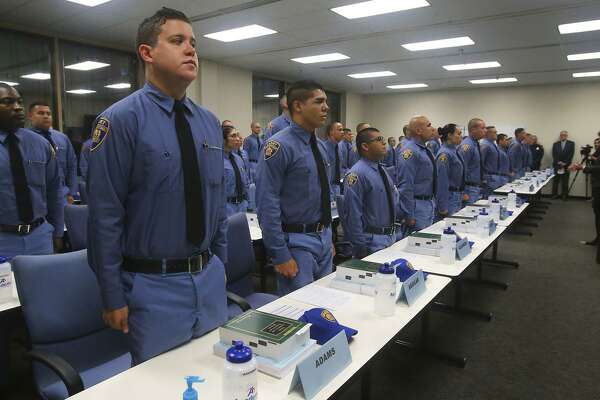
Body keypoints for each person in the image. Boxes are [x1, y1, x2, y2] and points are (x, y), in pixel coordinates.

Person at [87, 8, 228, 365]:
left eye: (193, 43)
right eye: (177, 41)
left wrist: (220, 266)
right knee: (161, 387)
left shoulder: (209, 123)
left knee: (214, 377)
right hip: (153, 287)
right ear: (147, 53)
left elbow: (218, 205)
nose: (191, 50)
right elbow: (105, 217)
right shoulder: (120, 121)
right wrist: (112, 295)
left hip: (208, 278)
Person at [256, 80, 332, 296]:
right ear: (298, 106)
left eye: (326, 101)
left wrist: (328, 237)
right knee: (300, 313)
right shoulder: (279, 146)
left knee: (325, 304)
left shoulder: (320, 146)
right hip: (297, 244)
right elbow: (267, 203)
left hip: (323, 239)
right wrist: (280, 254)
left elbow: (324, 194)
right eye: (319, 101)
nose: (326, 107)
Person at [0, 83, 64, 257]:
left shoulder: (39, 144)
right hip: (3, 241)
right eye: (8, 102)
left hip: (40, 237)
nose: (17, 108)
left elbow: (54, 190)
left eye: (19, 102)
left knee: (46, 284)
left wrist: (57, 231)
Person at [342, 127, 405, 258]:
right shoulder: (357, 174)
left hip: (390, 237)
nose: (384, 143)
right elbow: (353, 215)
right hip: (372, 242)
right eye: (379, 140)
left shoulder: (381, 170)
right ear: (365, 146)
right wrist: (360, 247)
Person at [29, 101, 78, 205]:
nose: (46, 116)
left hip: (62, 195)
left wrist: (72, 193)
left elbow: (72, 166)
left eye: (48, 113)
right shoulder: (25, 139)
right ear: (30, 116)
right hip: (36, 197)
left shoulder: (62, 138)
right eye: (41, 113)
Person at [396, 115, 437, 231]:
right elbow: (405, 185)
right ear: (418, 131)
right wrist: (409, 214)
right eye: (429, 125)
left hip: (428, 202)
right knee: (416, 245)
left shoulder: (424, 149)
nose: (432, 128)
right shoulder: (409, 152)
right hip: (416, 206)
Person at [570, 139, 600, 259]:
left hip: (599, 185)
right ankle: (597, 239)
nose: (597, 144)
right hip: (596, 185)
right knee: (597, 214)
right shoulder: (596, 153)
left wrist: (583, 168)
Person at [436, 124, 467, 217]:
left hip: (457, 195)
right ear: (449, 135)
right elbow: (442, 182)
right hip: (450, 197)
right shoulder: (444, 154)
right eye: (458, 133)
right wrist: (443, 207)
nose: (461, 136)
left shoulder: (454, 151)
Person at [458, 118, 486, 203]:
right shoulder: (467, 146)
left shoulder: (475, 144)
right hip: (468, 188)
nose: (485, 130)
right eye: (482, 128)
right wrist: (463, 192)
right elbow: (461, 170)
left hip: (475, 187)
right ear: (473, 129)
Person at [223, 126, 249, 216]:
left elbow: (246, 181)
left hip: (242, 205)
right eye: (233, 136)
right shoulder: (218, 160)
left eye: (238, 135)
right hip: (227, 206)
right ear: (223, 139)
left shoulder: (238, 159)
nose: (237, 139)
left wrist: (246, 202)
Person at [321, 122, 345, 196]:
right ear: (331, 132)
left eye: (343, 130)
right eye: (340, 130)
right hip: (326, 188)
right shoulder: (323, 148)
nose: (343, 132)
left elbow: (341, 168)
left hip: (337, 186)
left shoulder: (339, 149)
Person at [552, 130, 574, 200]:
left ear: (567, 136)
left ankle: (564, 195)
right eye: (561, 135)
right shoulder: (555, 144)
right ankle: (554, 195)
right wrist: (558, 162)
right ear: (560, 136)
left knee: (565, 181)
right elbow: (554, 154)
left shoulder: (571, 143)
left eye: (564, 135)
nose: (563, 136)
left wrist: (565, 163)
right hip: (557, 165)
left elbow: (571, 154)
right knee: (556, 181)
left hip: (566, 165)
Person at [481, 126, 503, 196]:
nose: (496, 134)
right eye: (495, 132)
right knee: (489, 199)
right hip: (489, 177)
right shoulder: (485, 145)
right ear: (488, 134)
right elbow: (480, 162)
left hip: (494, 177)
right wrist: (483, 178)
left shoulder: (492, 144)